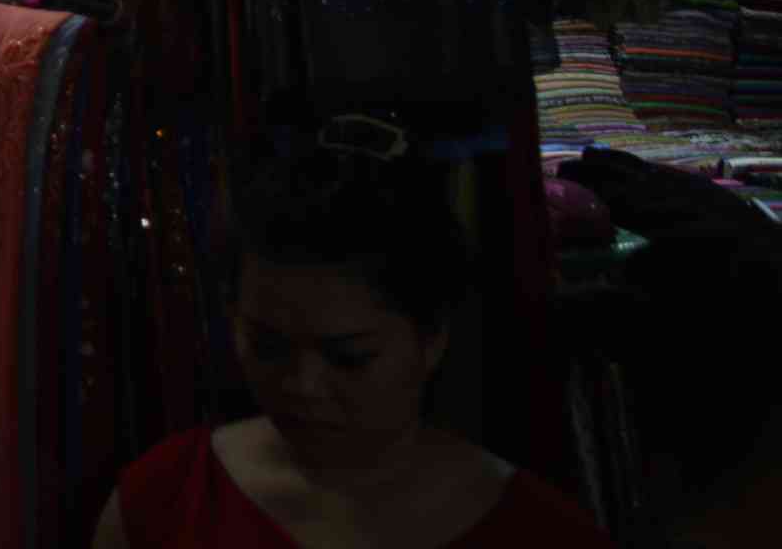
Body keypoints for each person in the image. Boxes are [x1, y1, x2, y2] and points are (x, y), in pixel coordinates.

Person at [95, 129, 611, 548]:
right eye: (269, 346)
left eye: (348, 358)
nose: (303, 386)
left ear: (431, 339)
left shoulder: (540, 532)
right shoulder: (161, 502)